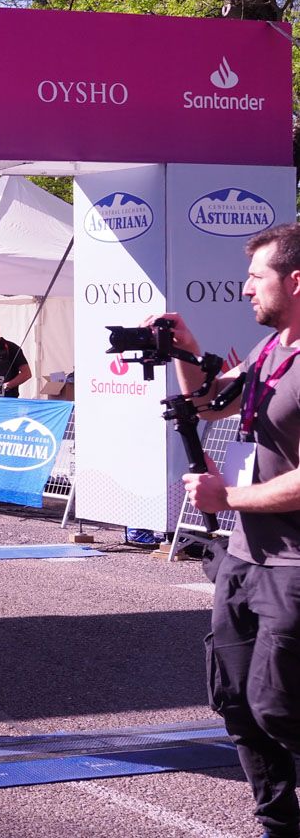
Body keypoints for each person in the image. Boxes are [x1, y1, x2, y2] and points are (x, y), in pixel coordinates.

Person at [169, 222, 300, 838]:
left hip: (294, 569)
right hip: (245, 559)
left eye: (256, 276)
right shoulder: (273, 349)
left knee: (281, 708)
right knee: (239, 705)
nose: (245, 288)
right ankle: (277, 824)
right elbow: (209, 404)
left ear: (295, 281)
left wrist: (231, 496)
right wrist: (184, 354)